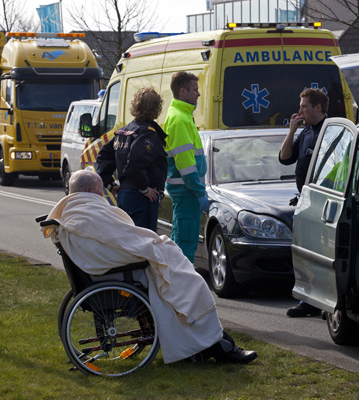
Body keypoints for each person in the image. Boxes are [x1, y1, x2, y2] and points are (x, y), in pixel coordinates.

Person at [43, 170, 258, 365]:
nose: (103, 196)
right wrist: (152, 246)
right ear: (89, 191)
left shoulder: (73, 212)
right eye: (100, 191)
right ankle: (220, 346)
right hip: (122, 274)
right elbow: (123, 239)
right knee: (189, 284)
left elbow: (117, 239)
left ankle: (210, 345)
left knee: (178, 277)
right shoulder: (87, 211)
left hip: (106, 272)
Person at [279, 88, 328, 318]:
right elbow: (285, 157)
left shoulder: (330, 130)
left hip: (325, 202)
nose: (299, 111)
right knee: (304, 253)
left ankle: (325, 300)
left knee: (323, 254)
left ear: (318, 107)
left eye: (304, 106)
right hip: (306, 201)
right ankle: (307, 300)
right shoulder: (306, 131)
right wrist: (292, 131)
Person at [96, 87, 167, 232]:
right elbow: (136, 162)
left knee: (127, 238)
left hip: (125, 194)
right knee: (143, 241)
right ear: (156, 108)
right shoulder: (146, 134)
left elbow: (102, 157)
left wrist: (110, 185)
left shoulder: (124, 132)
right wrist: (144, 188)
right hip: (141, 198)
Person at [163, 71, 208, 263]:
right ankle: (182, 290)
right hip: (187, 191)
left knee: (181, 241)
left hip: (185, 191)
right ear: (183, 91)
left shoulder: (182, 116)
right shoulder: (180, 119)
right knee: (185, 247)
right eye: (195, 90)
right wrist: (199, 191)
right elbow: (187, 165)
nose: (198, 94)